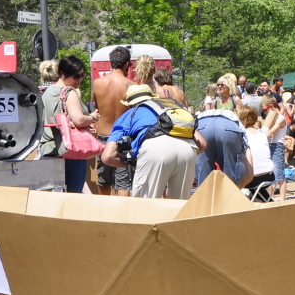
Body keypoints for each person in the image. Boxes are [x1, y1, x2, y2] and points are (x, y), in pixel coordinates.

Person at [101, 85, 199, 200]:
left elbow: (108, 156)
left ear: (130, 104)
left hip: (154, 148)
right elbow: (202, 143)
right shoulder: (169, 112)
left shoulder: (130, 114)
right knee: (180, 204)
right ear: (152, 98)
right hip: (187, 149)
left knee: (145, 205)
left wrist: (135, 164)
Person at [40, 55, 101, 194]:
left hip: (49, 149)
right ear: (63, 74)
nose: (79, 79)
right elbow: (79, 120)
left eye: (82, 75)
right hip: (70, 150)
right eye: (76, 76)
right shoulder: (69, 92)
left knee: (54, 197)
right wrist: (92, 117)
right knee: (74, 196)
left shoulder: (48, 92)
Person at [92, 46, 132, 197]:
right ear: (127, 64)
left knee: (103, 181)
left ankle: (105, 210)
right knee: (123, 182)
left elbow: (97, 108)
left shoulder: (98, 83)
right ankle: (123, 211)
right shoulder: (132, 86)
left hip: (104, 136)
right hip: (123, 138)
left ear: (111, 63)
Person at [195, 109, 253, 189]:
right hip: (228, 127)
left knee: (203, 175)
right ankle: (229, 193)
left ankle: (203, 195)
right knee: (231, 177)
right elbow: (250, 174)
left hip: (202, 125)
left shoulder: (203, 113)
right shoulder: (235, 119)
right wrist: (237, 187)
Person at [239, 106, 276, 200]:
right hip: (269, 174)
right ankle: (267, 201)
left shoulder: (242, 134)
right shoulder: (262, 133)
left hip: (253, 177)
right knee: (258, 191)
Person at [261, 94, 288, 199]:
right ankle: (270, 198)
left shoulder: (280, 118)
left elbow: (271, 132)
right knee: (270, 174)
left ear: (271, 106)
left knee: (279, 174)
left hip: (277, 146)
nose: (265, 112)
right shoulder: (272, 118)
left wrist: (258, 138)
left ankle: (282, 200)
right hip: (270, 145)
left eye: (265, 109)